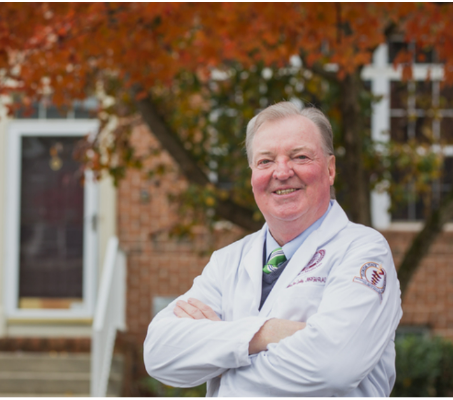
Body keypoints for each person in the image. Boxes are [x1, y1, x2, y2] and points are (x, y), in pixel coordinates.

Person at [143, 102, 403, 396]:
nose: (281, 172)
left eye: (300, 156)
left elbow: (332, 366)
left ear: (330, 169)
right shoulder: (227, 261)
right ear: (252, 174)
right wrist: (267, 332)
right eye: (265, 161)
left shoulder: (363, 251)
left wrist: (222, 364)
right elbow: (159, 353)